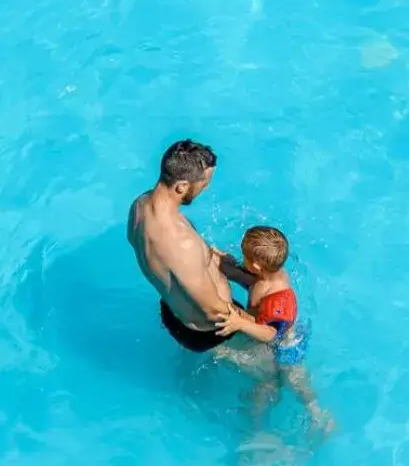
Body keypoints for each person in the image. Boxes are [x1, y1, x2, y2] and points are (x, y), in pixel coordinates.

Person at [126, 139, 252, 353]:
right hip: (211, 329)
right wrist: (256, 323)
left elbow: (174, 265)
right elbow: (213, 311)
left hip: (173, 313)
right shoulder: (180, 243)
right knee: (278, 367)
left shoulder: (140, 206)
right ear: (181, 186)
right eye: (204, 183)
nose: (207, 187)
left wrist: (210, 258)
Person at [215, 226, 335, 435]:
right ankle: (259, 425)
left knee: (293, 377)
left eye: (243, 256)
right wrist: (223, 264)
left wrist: (240, 323)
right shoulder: (268, 274)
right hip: (270, 325)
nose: (241, 258)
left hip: (286, 343)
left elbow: (270, 334)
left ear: (256, 266)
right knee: (269, 384)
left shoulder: (279, 297)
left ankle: (317, 414)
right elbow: (249, 280)